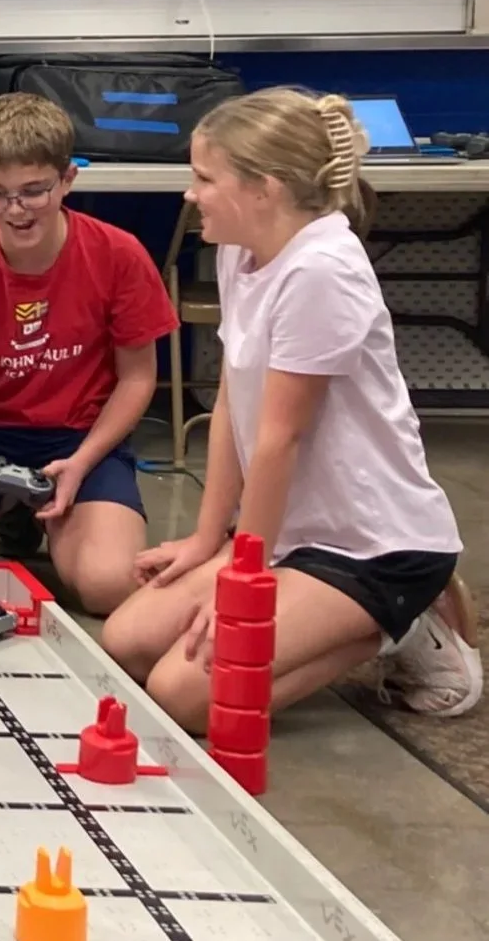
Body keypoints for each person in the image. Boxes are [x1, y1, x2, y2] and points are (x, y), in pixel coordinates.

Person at [102, 89, 477, 727]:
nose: (191, 194)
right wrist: (207, 539)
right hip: (295, 534)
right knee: (127, 641)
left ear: (264, 190)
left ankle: (403, 622)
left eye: (205, 178)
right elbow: (232, 399)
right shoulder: (238, 247)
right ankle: (343, 615)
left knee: (182, 695)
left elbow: (279, 440)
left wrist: (241, 579)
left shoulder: (322, 271)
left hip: (376, 546)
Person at [0, 93, 174, 613]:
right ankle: (7, 506)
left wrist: (82, 462)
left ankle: (36, 513)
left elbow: (137, 378)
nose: (15, 210)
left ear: (67, 179)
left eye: (33, 192)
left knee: (109, 585)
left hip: (80, 434)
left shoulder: (119, 255)